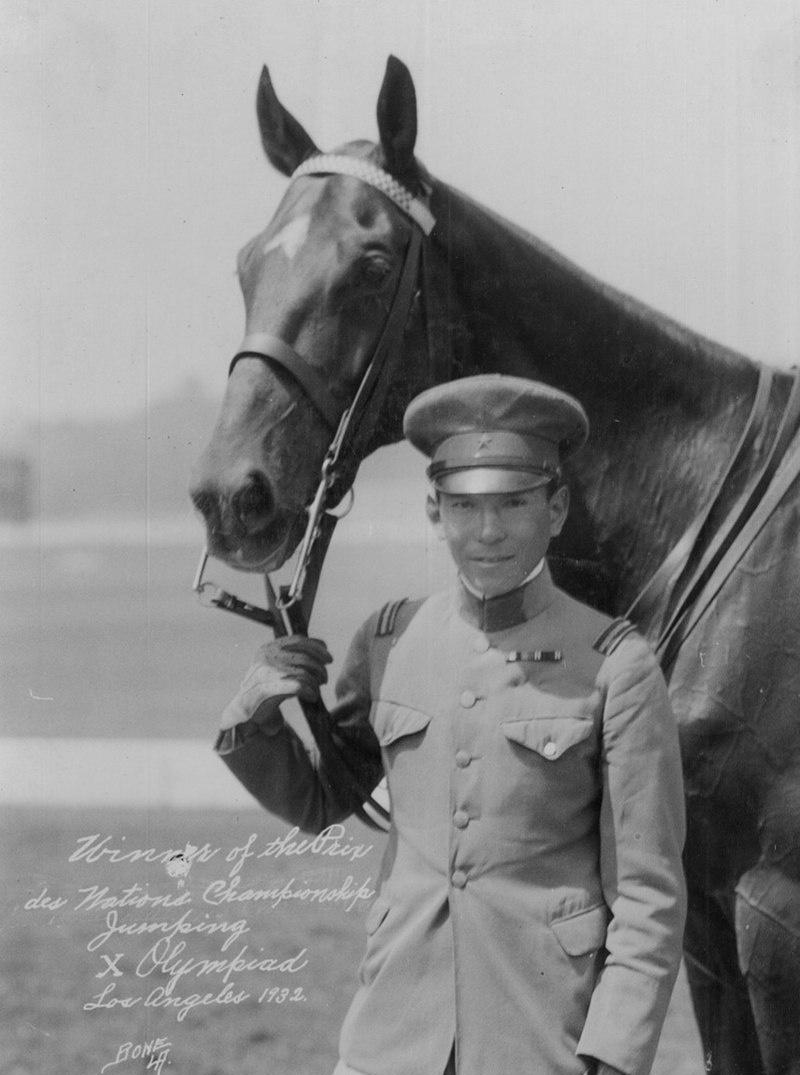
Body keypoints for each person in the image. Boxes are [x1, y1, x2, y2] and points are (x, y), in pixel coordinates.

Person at [215, 374, 687, 1075]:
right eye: (465, 506)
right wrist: (256, 716)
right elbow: (324, 797)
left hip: (540, 1042)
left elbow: (648, 897)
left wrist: (613, 1057)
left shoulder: (616, 665)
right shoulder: (389, 641)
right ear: (434, 511)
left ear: (556, 508)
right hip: (388, 1038)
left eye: (513, 503)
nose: (488, 531)